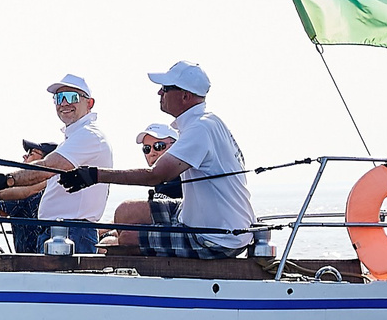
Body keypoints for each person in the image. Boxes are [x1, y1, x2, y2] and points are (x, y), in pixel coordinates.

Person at [58, 62, 254, 258]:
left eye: (166, 88)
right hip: (197, 217)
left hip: (216, 237)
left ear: (186, 96)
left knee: (126, 240)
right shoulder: (207, 122)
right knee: (126, 211)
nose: (159, 92)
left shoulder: (200, 129)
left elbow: (156, 175)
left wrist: (93, 175)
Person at [0, 73, 113, 251]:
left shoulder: (89, 135)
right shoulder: (74, 137)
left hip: (71, 233)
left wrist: (3, 180)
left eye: (71, 97)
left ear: (89, 103)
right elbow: (39, 183)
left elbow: (47, 168)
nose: (64, 103)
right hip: (60, 232)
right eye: (59, 98)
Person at [0, 137, 59, 252]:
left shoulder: (18, 195)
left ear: (46, 161)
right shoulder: (56, 188)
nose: (25, 156)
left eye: (31, 153)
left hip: (29, 263)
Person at [107, 124, 182, 254]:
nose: (152, 152)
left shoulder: (179, 178)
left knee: (108, 242)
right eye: (146, 149)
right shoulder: (164, 182)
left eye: (159, 146)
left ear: (176, 146)